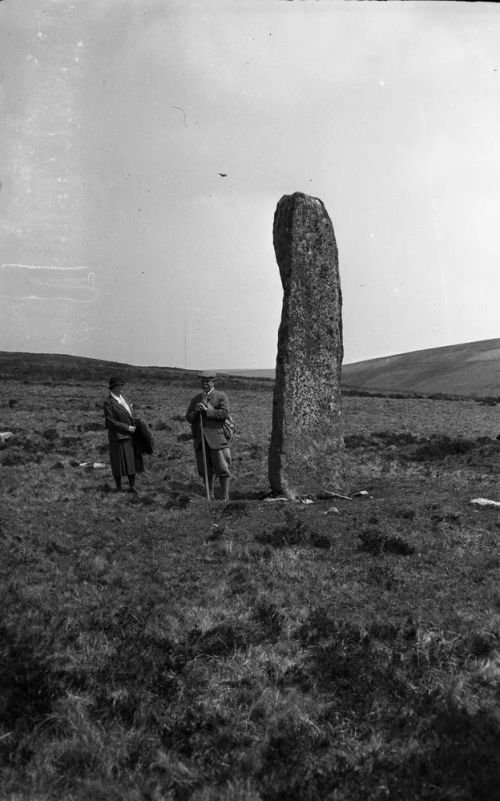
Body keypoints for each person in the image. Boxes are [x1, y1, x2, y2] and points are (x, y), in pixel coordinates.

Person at [186, 371, 232, 501]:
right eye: (202, 382)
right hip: (201, 440)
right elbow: (189, 418)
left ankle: (225, 498)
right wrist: (196, 411)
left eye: (207, 381)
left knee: (222, 469)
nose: (205, 384)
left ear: (213, 382)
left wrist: (207, 411)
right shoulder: (196, 399)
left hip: (217, 439)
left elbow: (224, 413)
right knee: (205, 470)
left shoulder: (221, 396)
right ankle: (209, 497)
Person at [103, 377, 139, 494]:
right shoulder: (108, 402)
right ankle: (118, 488)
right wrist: (127, 427)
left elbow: (130, 413)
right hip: (117, 437)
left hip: (129, 436)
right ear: (114, 387)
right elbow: (110, 420)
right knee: (117, 464)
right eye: (120, 385)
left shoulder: (124, 399)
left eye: (122, 385)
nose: (122, 387)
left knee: (130, 463)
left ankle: (132, 486)